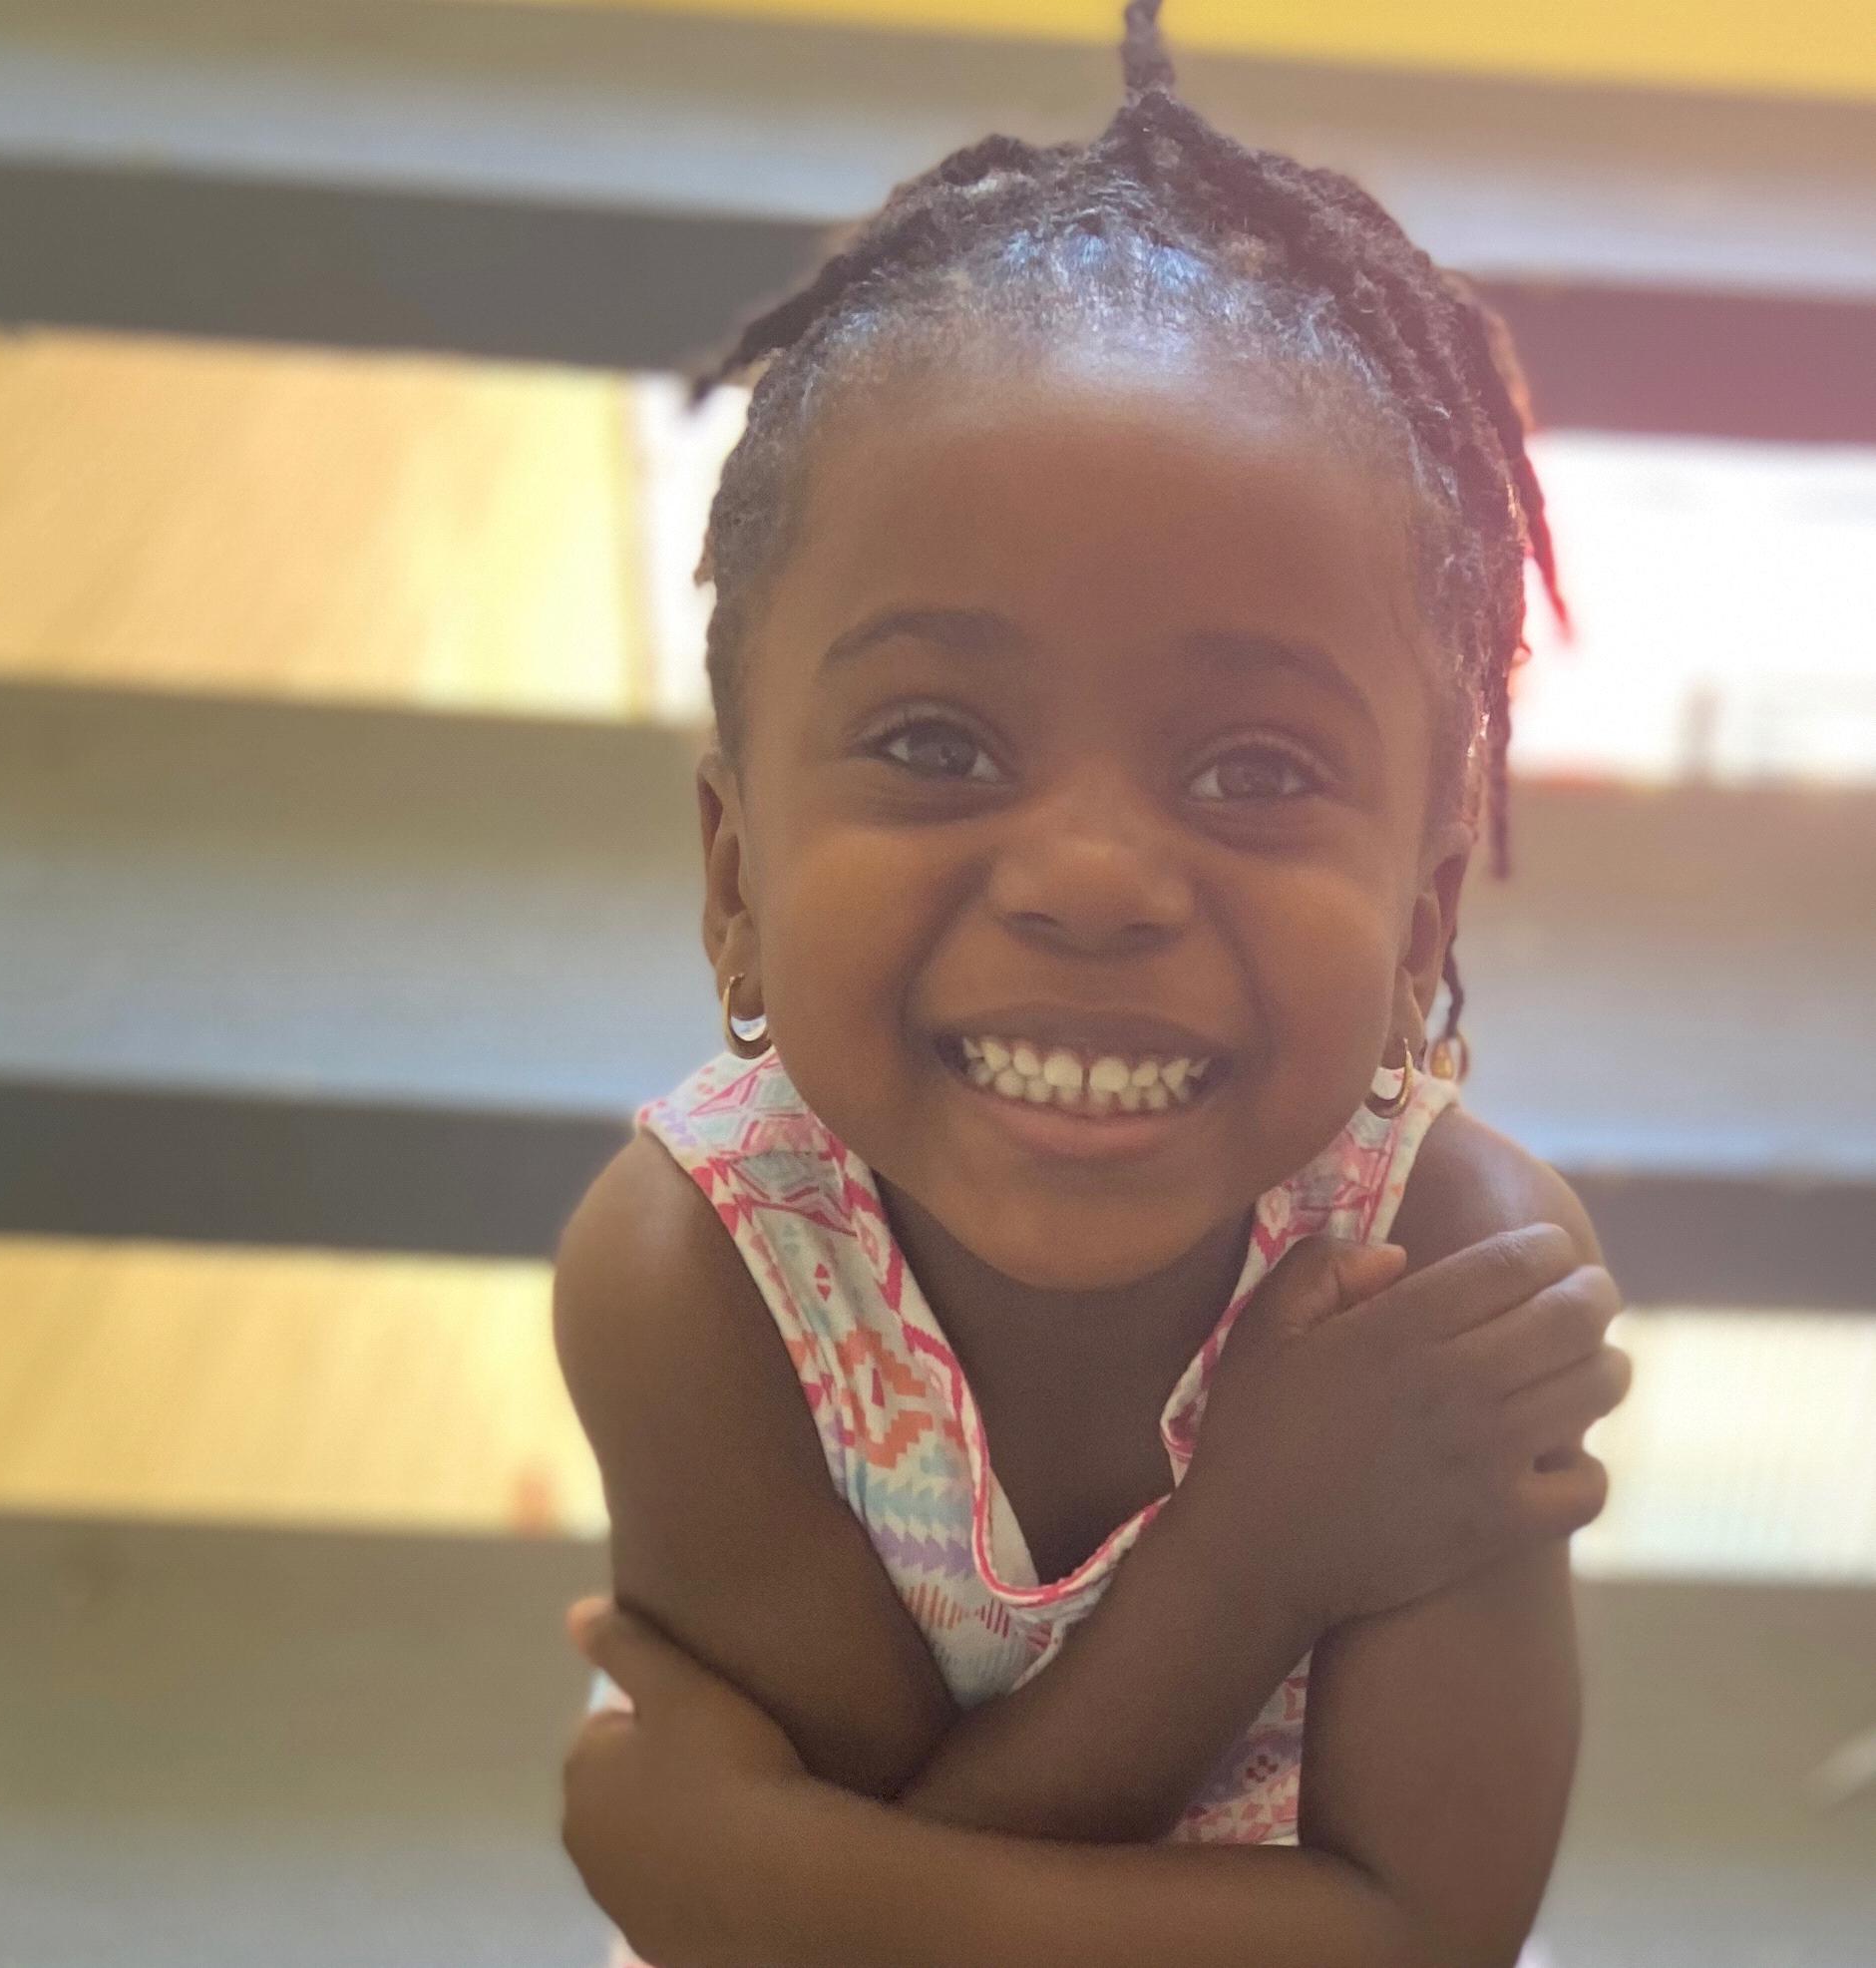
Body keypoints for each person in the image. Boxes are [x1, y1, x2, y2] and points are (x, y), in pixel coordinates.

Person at [551, 5, 1632, 1962]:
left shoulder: (1441, 1279)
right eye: (938, 742)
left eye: (1255, 770)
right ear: (733, 876)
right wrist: (1261, 1557)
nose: (1093, 881)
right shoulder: (697, 1274)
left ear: (1417, 930)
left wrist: (745, 1873)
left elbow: (1420, 1937)